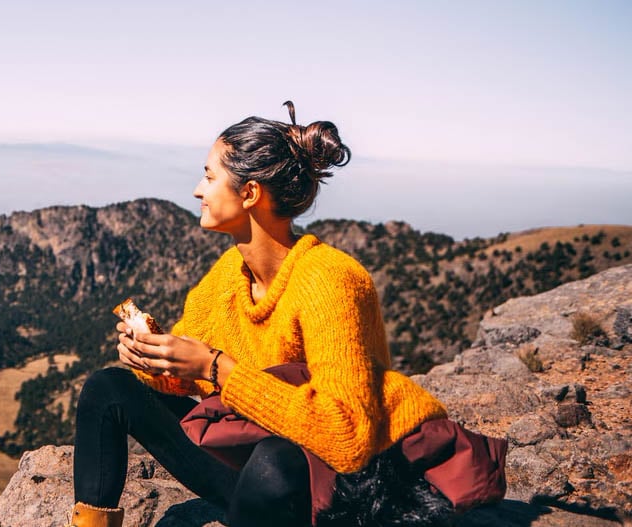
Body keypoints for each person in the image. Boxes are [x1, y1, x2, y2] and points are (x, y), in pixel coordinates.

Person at [68, 102, 456, 527]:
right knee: (108, 389)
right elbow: (185, 376)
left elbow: (346, 437)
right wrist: (150, 358)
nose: (198, 190)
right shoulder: (228, 278)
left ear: (250, 193)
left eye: (210, 177)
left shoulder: (331, 281)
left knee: (273, 462)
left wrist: (218, 367)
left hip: (343, 488)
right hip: (254, 463)